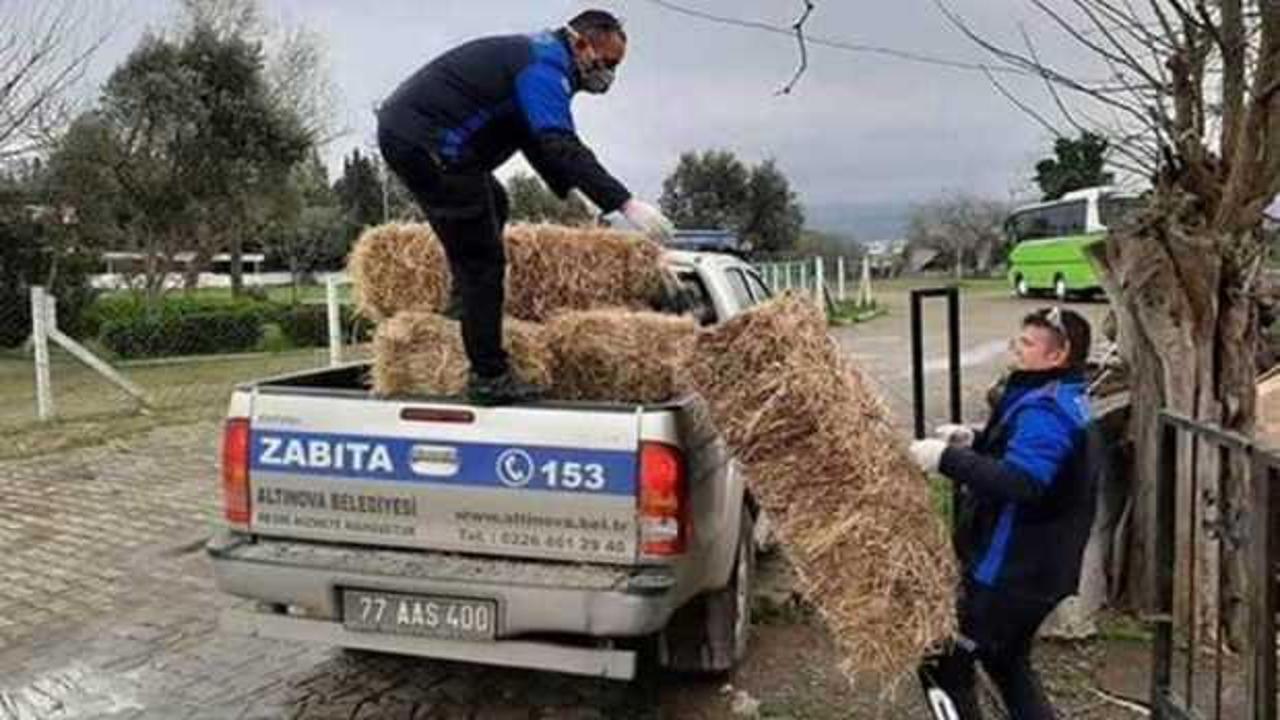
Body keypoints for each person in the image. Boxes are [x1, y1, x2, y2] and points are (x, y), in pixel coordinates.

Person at [377, 9, 674, 405]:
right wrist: (624, 202)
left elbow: (532, 138)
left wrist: (572, 191)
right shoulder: (545, 68)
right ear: (581, 44)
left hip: (422, 137)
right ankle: (489, 377)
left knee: (495, 202)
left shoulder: (539, 56)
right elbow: (558, 142)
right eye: (607, 64)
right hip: (431, 144)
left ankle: (464, 308)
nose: (608, 76)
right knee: (482, 263)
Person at [909, 307, 1099, 720]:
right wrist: (973, 440)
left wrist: (946, 460)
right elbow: (1024, 451)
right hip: (1038, 571)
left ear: (1058, 355)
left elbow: (1022, 482)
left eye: (1027, 343)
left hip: (1012, 573)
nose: (1016, 348)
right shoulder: (1060, 395)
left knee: (942, 661)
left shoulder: (1047, 411)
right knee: (1006, 660)